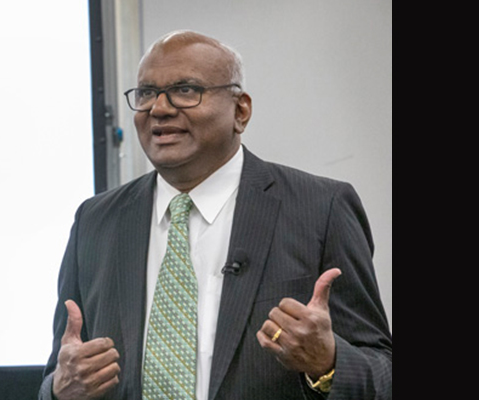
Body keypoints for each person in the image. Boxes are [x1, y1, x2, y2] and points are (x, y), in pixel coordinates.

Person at [39, 30, 392, 400]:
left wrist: (328, 363)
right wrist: (60, 390)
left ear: (241, 111)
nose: (159, 108)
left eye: (186, 89)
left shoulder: (322, 208)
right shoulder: (95, 221)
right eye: (146, 93)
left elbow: (382, 371)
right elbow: (57, 375)